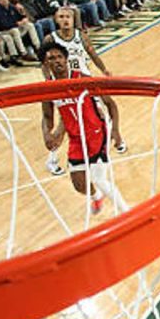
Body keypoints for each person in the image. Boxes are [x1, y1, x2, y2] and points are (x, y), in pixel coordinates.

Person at [39, 41, 127, 215]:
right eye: (51, 58)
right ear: (45, 64)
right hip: (76, 138)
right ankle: (96, 197)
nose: (57, 61)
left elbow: (111, 104)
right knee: (79, 185)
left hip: (97, 133)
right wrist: (46, 134)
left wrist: (116, 130)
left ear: (66, 59)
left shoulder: (82, 78)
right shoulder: (47, 89)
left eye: (59, 57)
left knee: (99, 178)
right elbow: (47, 117)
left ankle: (127, 212)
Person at [43, 6, 127, 176]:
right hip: (63, 83)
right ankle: (52, 157)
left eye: (68, 16)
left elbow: (92, 53)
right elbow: (44, 63)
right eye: (61, 16)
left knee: (105, 106)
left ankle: (116, 136)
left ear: (74, 19)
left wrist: (104, 70)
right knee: (66, 122)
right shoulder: (50, 39)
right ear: (56, 20)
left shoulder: (80, 36)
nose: (65, 19)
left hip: (84, 79)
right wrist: (48, 82)